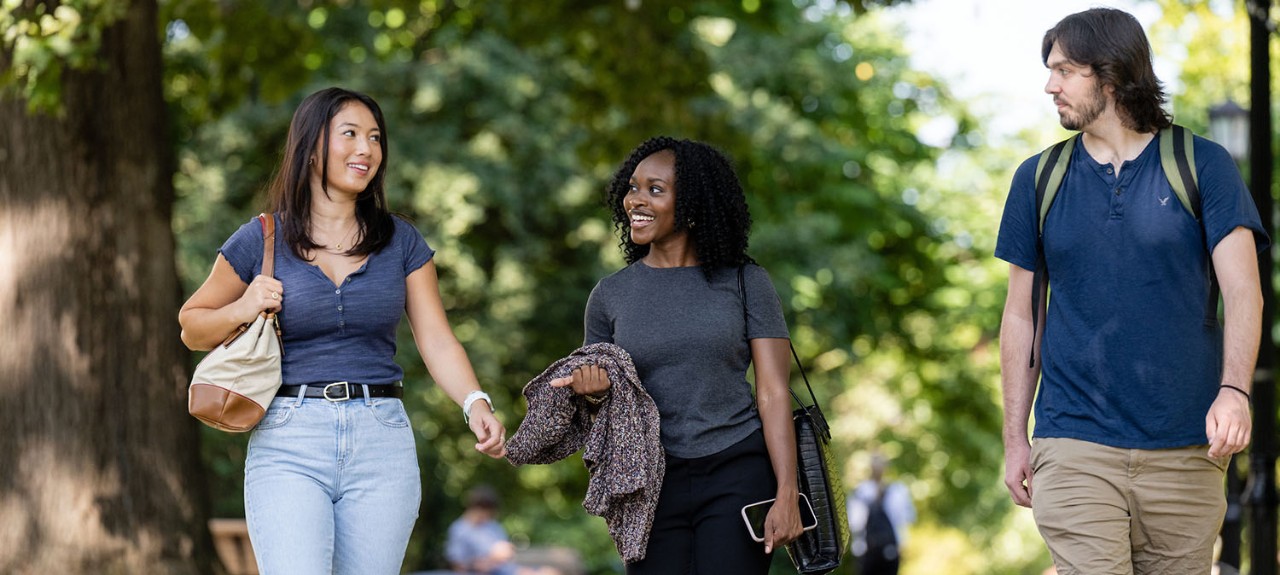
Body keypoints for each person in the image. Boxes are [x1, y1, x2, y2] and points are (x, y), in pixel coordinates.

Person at [178, 87, 507, 575]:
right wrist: (244, 305)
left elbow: (436, 338)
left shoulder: (401, 241)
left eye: (375, 138)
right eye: (350, 134)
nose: (366, 149)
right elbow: (192, 326)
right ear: (312, 147)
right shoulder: (262, 237)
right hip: (289, 437)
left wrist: (475, 401)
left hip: (382, 440)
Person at [996, 8, 1268, 574]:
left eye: (1065, 71)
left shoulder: (1203, 166)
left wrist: (1234, 391)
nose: (1051, 85)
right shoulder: (1038, 179)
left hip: (1187, 448)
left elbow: (1244, 291)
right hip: (1073, 444)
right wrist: (1014, 437)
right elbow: (1021, 317)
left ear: (1111, 74)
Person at [551, 136, 804, 574]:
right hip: (649, 481)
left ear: (690, 203)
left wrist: (786, 492)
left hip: (736, 469)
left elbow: (774, 392)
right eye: (632, 187)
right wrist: (592, 395)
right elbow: (602, 420)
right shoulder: (610, 296)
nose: (635, 200)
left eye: (655, 189)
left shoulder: (746, 282)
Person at [846, 453, 914, 575]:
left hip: (865, 550)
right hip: (891, 550)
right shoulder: (898, 491)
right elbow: (905, 520)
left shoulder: (860, 491)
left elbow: (854, 524)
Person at [444, 486, 519, 575]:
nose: (488, 517)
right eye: (487, 512)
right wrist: (490, 559)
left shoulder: (493, 526)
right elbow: (458, 565)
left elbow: (508, 557)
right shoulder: (459, 530)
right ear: (475, 508)